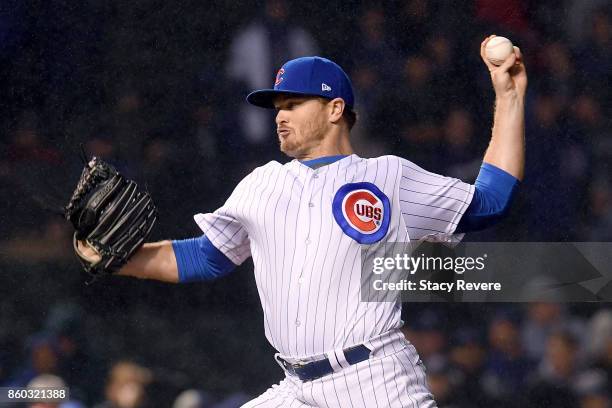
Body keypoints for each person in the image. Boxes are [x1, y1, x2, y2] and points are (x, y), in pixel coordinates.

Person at [77, 35, 527, 406]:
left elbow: (489, 203)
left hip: (375, 382)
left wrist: (509, 98)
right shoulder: (260, 184)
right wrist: (118, 259)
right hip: (296, 388)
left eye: (293, 103)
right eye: (277, 106)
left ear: (335, 110)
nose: (280, 115)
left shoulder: (387, 176)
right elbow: (207, 257)